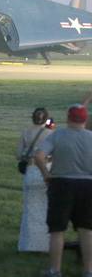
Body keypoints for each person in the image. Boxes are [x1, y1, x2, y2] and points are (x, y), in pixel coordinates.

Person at [34, 104, 92, 277]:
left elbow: (39, 156)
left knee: (57, 230)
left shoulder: (57, 135)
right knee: (87, 230)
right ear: (85, 119)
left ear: (68, 118)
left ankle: (54, 270)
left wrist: (46, 174)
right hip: (88, 185)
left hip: (61, 184)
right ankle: (89, 270)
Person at [18, 107, 54, 253]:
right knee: (46, 209)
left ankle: (28, 245)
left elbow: (19, 154)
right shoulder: (51, 133)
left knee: (29, 209)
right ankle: (45, 245)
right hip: (47, 170)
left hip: (32, 170)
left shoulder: (26, 132)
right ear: (46, 119)